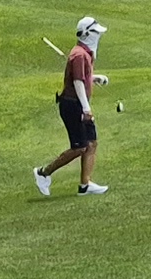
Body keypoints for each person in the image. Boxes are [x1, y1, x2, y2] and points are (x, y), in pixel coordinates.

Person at [36, 15, 112, 196]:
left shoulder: (84, 54)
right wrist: (86, 109)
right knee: (79, 147)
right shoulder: (79, 55)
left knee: (92, 143)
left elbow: (82, 78)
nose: (98, 36)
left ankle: (85, 185)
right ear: (86, 34)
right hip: (72, 105)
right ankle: (43, 173)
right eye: (95, 33)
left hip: (78, 103)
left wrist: (95, 78)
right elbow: (78, 82)